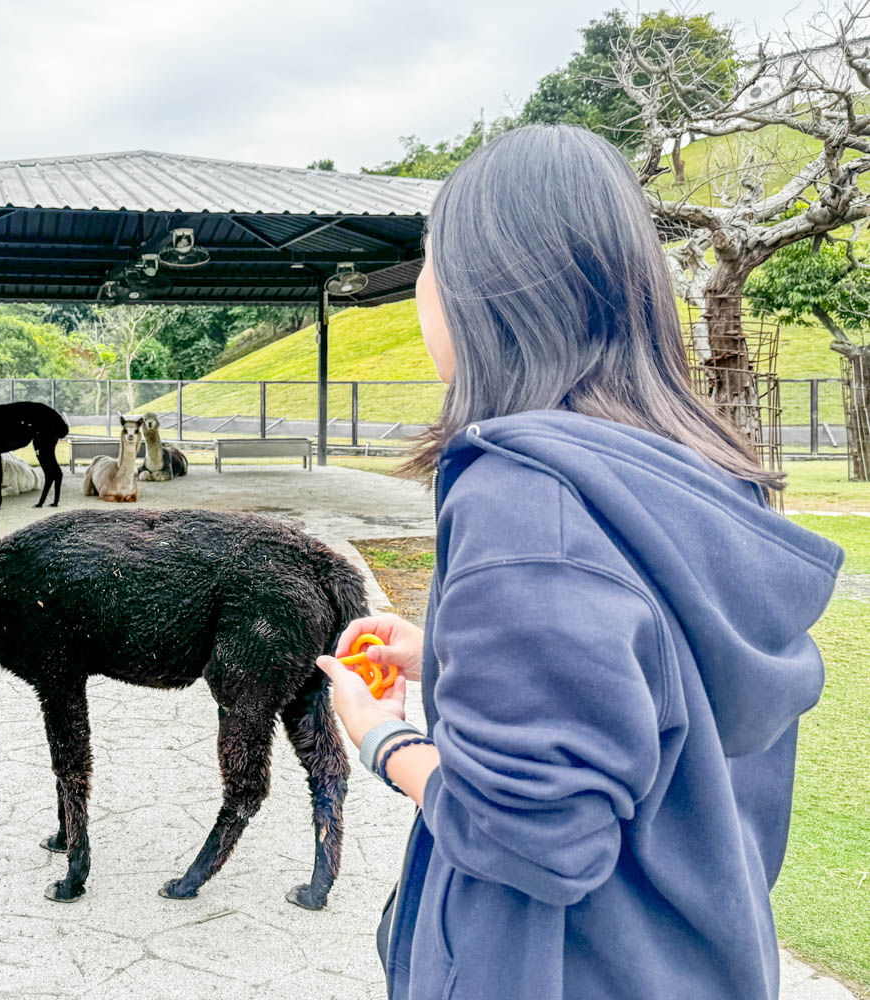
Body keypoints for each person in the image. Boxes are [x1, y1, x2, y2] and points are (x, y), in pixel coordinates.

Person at [316, 123, 844, 1000]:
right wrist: (449, 653)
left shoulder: (525, 500)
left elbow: (529, 838)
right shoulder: (701, 469)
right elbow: (650, 691)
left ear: (482, 290)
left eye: (430, 261)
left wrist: (381, 738)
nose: (420, 287)